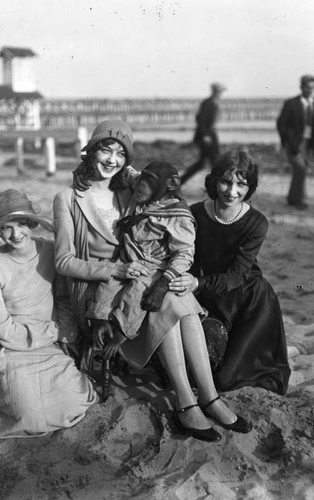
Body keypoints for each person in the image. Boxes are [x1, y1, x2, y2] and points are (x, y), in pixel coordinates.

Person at [53, 119, 251, 442]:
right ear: (91, 150)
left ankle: (208, 397)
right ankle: (188, 402)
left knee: (172, 295)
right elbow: (63, 262)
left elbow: (162, 184)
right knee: (167, 302)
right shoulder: (67, 199)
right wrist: (113, 271)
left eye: (120, 153)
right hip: (101, 292)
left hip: (140, 279)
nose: (112, 159)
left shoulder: (128, 186)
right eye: (106, 149)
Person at [0, 189, 96, 438]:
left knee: (72, 398)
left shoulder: (50, 251)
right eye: (6, 228)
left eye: (21, 225)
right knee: (28, 412)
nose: (16, 234)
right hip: (10, 346)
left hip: (49, 339)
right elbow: (0, 324)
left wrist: (61, 332)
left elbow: (62, 299)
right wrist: (44, 334)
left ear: (31, 223)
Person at [169, 150, 291, 395]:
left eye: (241, 184)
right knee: (199, 371)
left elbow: (236, 276)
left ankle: (292, 349)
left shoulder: (257, 222)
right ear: (214, 181)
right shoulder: (196, 213)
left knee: (226, 380)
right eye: (225, 181)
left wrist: (197, 283)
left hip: (250, 301)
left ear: (250, 187)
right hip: (211, 296)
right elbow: (190, 260)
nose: (231, 191)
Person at [85, 161, 204, 359]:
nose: (141, 184)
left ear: (171, 185)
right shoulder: (141, 184)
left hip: (153, 268)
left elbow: (184, 253)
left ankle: (122, 335)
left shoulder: (178, 215)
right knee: (106, 284)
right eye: (143, 177)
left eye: (150, 180)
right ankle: (99, 322)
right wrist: (88, 170)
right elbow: (126, 171)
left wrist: (163, 283)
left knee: (137, 292)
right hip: (127, 261)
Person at [277, 74, 314, 210]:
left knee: (302, 169)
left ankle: (299, 196)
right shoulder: (291, 103)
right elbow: (281, 124)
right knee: (301, 169)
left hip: (308, 144)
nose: (310, 90)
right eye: (307, 87)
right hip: (293, 144)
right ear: (301, 87)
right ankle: (294, 200)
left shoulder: (313, 103)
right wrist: (285, 142)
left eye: (312, 88)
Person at [180, 82, 226, 187]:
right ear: (215, 91)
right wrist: (205, 135)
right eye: (220, 91)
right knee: (214, 161)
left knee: (203, 163)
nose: (221, 93)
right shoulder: (209, 102)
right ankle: (217, 186)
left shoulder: (212, 102)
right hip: (207, 136)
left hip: (209, 134)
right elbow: (201, 119)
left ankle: (181, 182)